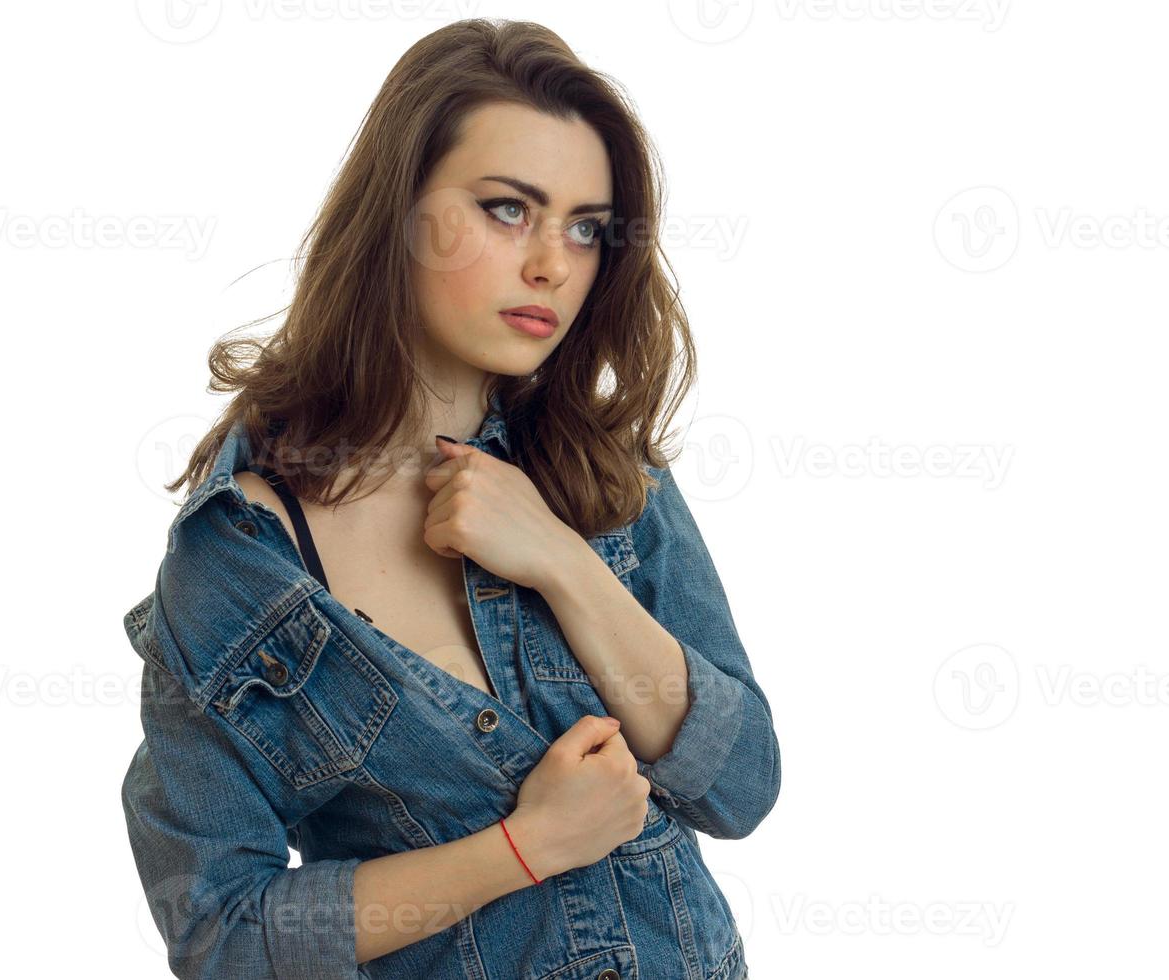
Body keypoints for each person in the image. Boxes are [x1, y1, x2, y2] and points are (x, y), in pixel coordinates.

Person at [120, 18, 779, 980]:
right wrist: (522, 849)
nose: (553, 263)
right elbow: (223, 932)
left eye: (586, 228)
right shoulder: (239, 569)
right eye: (508, 208)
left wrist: (557, 556)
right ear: (398, 213)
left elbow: (742, 785)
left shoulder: (602, 471)